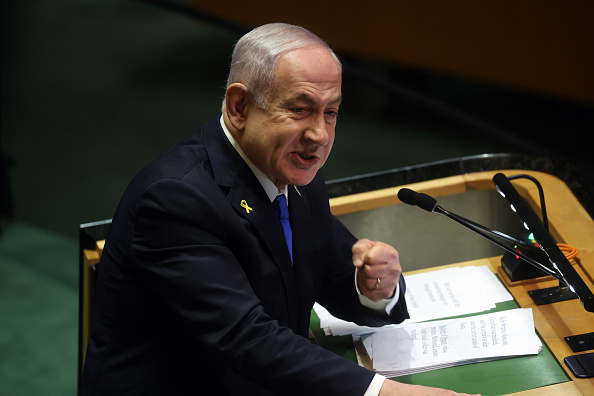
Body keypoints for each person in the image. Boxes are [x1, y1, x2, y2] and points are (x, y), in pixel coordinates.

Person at [80, 23, 479, 396]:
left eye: (331, 111)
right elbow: (248, 339)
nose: (319, 135)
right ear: (239, 107)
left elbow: (333, 269)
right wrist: (384, 392)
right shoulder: (174, 200)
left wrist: (375, 286)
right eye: (301, 109)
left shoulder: (294, 171)